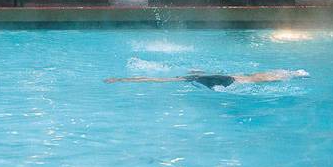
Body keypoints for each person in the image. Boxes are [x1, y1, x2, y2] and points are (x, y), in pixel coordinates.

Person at [104, 69, 309, 89]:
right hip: (224, 78)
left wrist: (123, 80)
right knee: (255, 78)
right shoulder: (192, 77)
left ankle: (292, 74)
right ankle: (292, 73)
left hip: (224, 80)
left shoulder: (184, 80)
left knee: (254, 79)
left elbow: (153, 80)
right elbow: (151, 79)